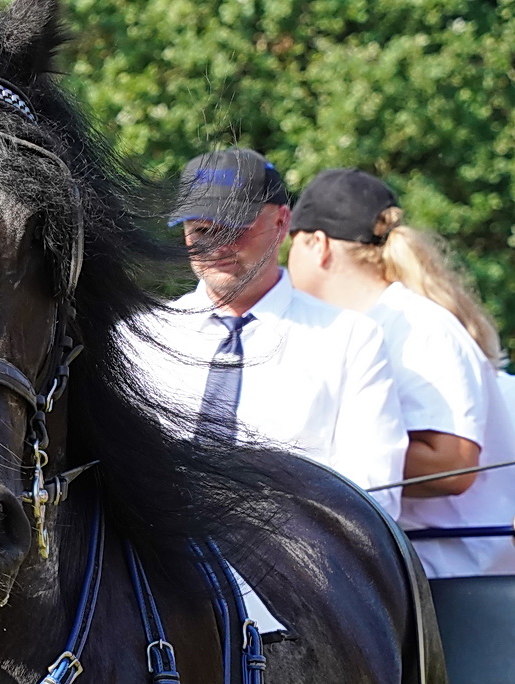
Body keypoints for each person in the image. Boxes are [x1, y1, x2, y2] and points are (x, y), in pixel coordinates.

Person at [127, 148, 408, 515]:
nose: (217, 246)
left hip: (294, 546)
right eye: (201, 230)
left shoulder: (350, 340)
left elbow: (374, 495)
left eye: (235, 228)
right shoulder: (141, 337)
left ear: (281, 223)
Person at [286, 168, 515, 576]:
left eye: (292, 245)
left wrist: (318, 446)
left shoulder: (417, 326)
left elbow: (454, 463)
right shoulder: (365, 325)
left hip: (456, 575)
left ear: (317, 245)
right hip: (412, 571)